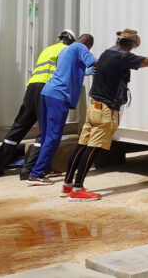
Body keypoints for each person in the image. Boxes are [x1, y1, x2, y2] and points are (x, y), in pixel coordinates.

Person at [60, 29, 148, 201]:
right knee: (93, 148)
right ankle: (78, 189)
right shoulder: (123, 57)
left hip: (93, 107)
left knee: (82, 145)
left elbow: (145, 62)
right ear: (132, 45)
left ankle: (67, 186)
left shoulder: (107, 53)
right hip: (105, 109)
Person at [0, 28, 76, 178]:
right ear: (71, 41)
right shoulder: (66, 51)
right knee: (46, 131)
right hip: (46, 89)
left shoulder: (47, 50)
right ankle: (29, 170)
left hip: (32, 88)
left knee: (19, 128)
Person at [26, 34, 96, 185]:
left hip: (47, 93)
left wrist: (84, 72)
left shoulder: (66, 50)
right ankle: (36, 174)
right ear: (88, 45)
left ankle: (41, 169)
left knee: (46, 136)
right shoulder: (80, 47)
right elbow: (95, 62)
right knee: (53, 136)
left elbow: (67, 71)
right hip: (59, 96)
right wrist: (114, 60)